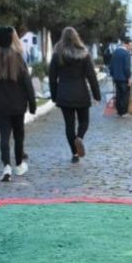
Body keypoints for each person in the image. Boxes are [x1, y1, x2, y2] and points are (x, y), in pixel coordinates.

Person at [0, 26, 37, 181]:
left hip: (0, 105)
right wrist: (32, 103)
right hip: (18, 104)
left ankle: (6, 166)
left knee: (4, 136)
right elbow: (27, 82)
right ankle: (19, 164)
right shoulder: (17, 57)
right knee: (19, 135)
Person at [49, 26, 101, 164]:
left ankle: (74, 153)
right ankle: (80, 137)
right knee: (84, 121)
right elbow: (91, 76)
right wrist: (97, 95)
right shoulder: (84, 54)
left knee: (69, 125)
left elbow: (52, 77)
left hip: (64, 93)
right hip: (81, 92)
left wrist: (54, 96)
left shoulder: (57, 55)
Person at [108, 37, 132, 116]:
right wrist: (129, 77)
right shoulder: (126, 54)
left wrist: (113, 74)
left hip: (116, 77)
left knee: (118, 94)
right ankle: (124, 112)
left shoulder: (115, 52)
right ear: (126, 44)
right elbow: (127, 67)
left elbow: (111, 65)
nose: (131, 47)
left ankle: (119, 111)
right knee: (125, 95)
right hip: (124, 78)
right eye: (130, 45)